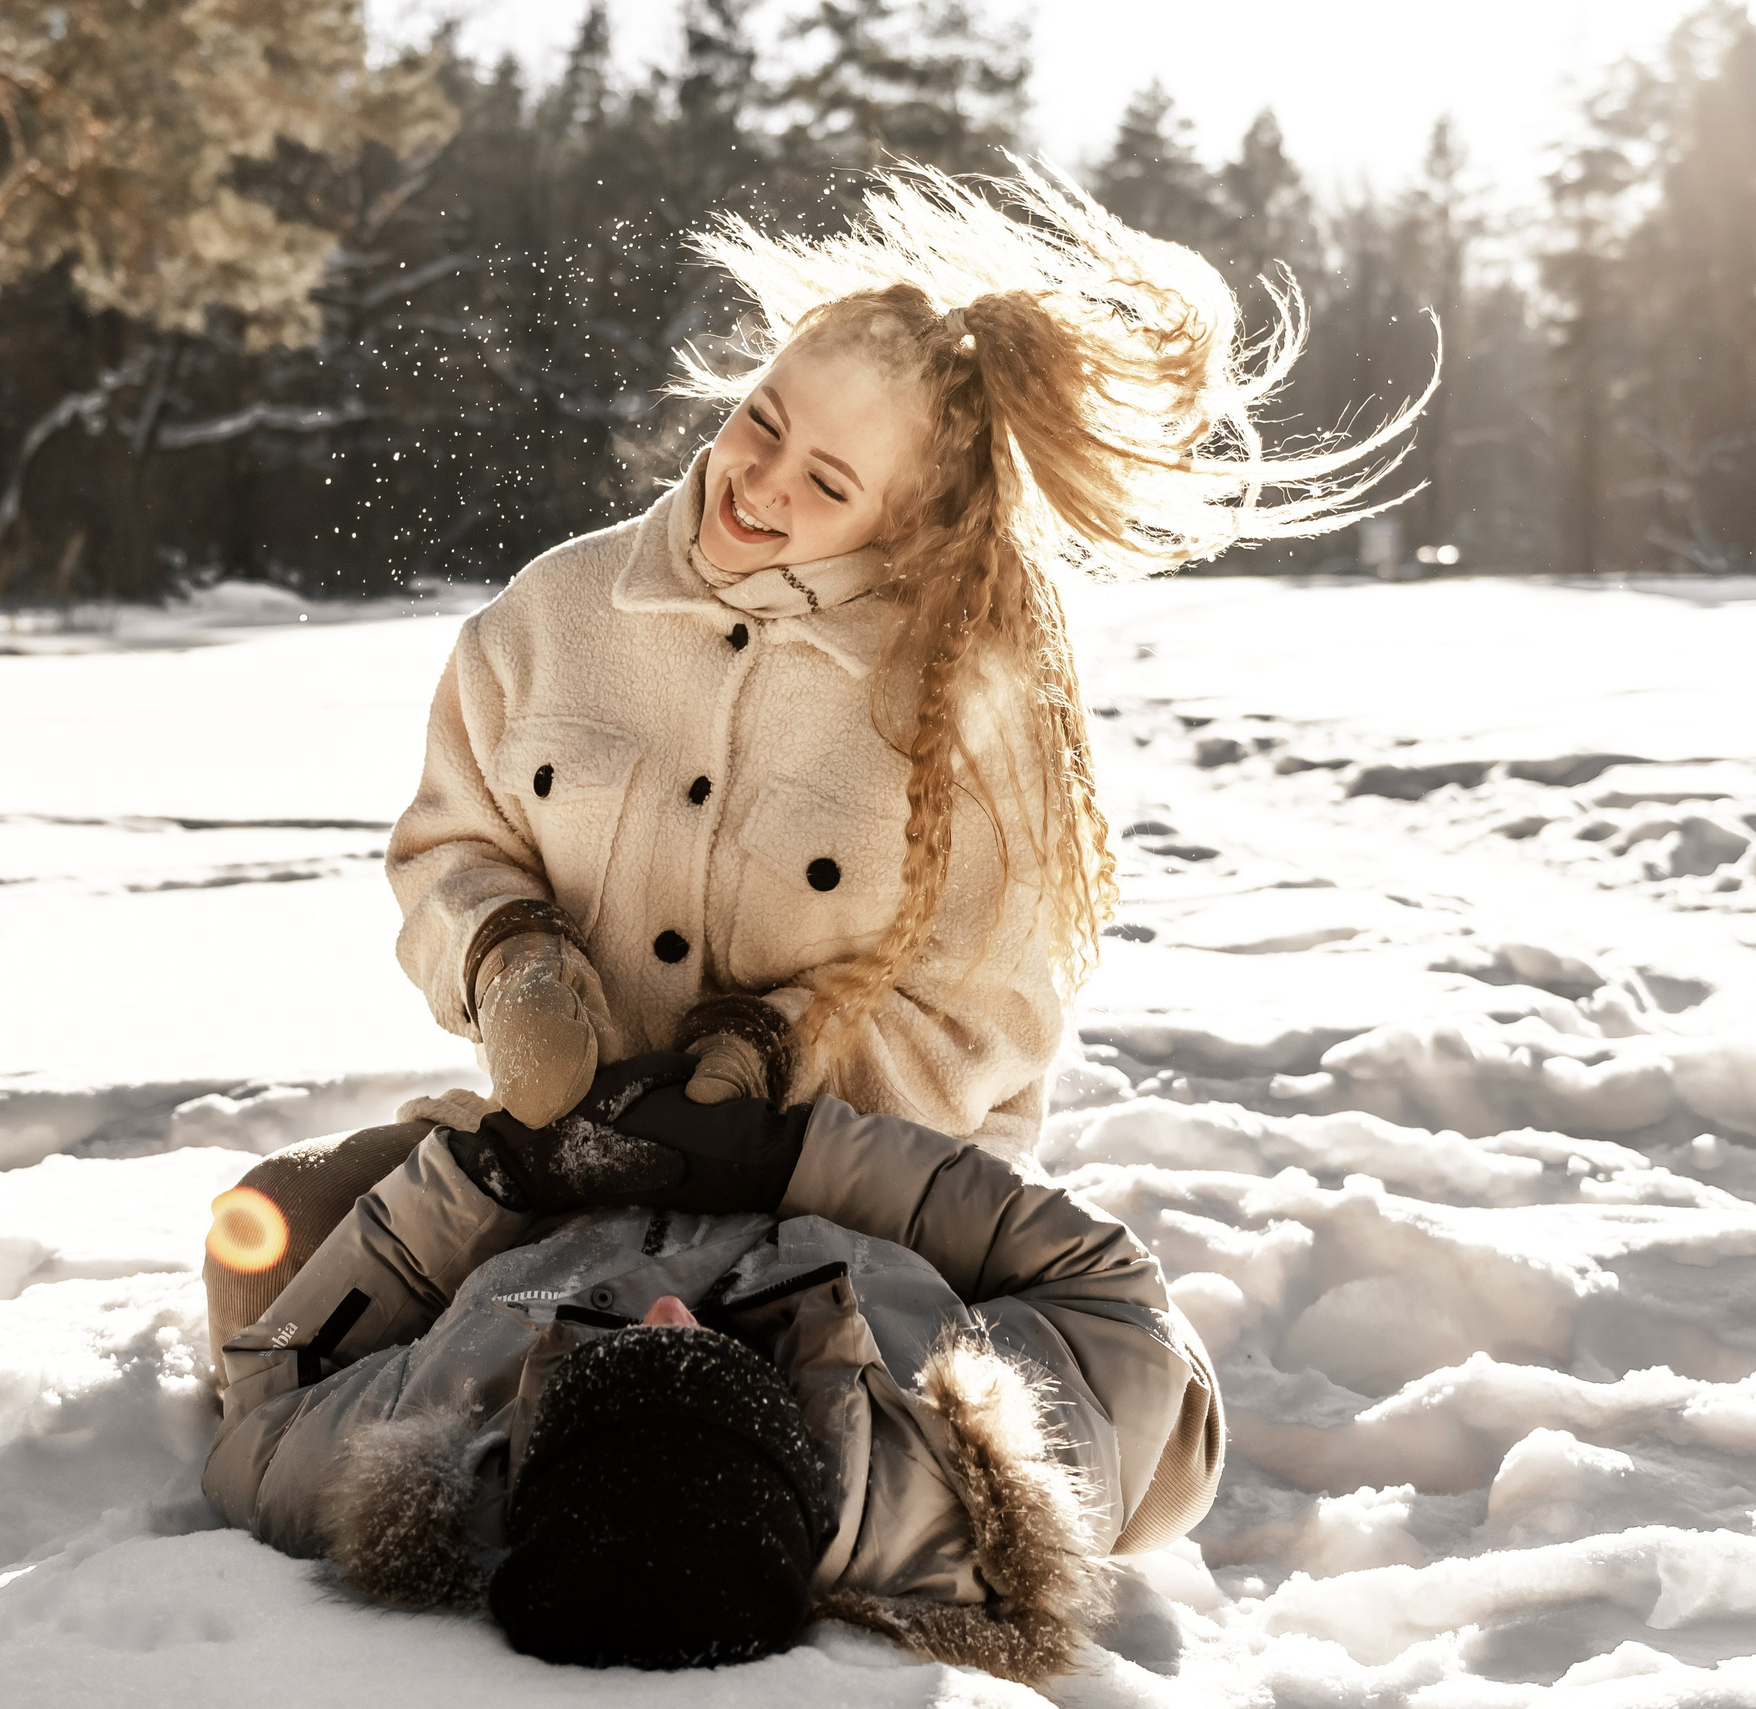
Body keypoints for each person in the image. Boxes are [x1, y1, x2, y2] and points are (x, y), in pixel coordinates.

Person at [385, 159, 1421, 1158]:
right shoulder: (546, 615)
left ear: (905, 517)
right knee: (284, 1266)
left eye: (828, 484)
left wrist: (772, 1061)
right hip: (571, 1165)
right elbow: (451, 842)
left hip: (860, 1195)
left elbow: (992, 1010)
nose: (761, 482)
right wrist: (508, 954)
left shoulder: (965, 692)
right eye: (762, 420)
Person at [202, 1055, 1224, 1682]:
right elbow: (1110, 1289)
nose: (661, 1303)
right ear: (795, 1436)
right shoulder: (950, 1474)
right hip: (861, 1168)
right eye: (709, 1348)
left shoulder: (440, 1451)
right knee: (1171, 1455)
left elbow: (268, 1396)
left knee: (258, 1236)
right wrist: (792, 1154)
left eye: (608, 1347)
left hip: (560, 1194)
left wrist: (497, 1171)